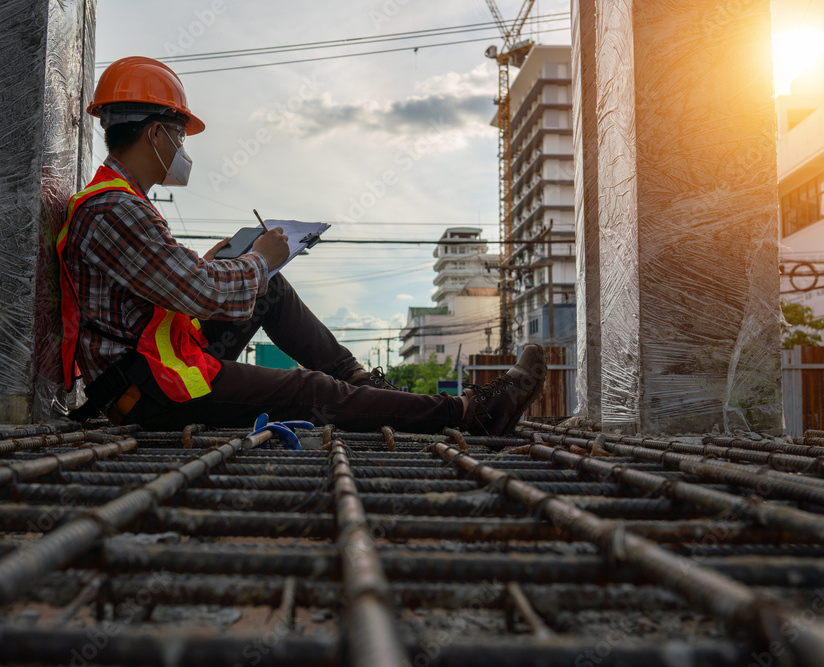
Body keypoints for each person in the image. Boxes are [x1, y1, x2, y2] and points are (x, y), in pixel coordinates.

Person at [57, 56, 547, 435]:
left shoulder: (120, 203)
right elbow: (201, 294)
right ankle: (469, 413)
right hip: (148, 391)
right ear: (156, 132)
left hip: (157, 364)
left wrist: (231, 264)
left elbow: (161, 293)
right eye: (181, 136)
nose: (183, 149)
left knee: (269, 288)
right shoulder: (113, 209)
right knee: (308, 390)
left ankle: (363, 385)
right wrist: (257, 258)